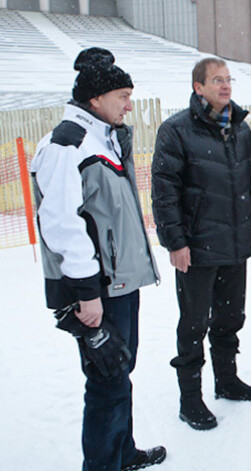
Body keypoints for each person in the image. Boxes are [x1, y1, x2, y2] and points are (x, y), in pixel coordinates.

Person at [31, 47, 165, 470]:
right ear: (95, 99)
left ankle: (122, 454)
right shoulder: (66, 145)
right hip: (98, 291)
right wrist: (87, 295)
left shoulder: (102, 136)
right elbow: (61, 225)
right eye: (122, 95)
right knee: (106, 382)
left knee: (120, 372)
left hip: (120, 284)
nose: (129, 104)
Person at [151, 57, 251, 431]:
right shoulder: (176, 131)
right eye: (217, 80)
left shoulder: (239, 128)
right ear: (198, 87)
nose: (226, 85)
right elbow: (164, 192)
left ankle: (227, 381)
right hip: (196, 249)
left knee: (231, 317)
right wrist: (175, 241)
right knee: (193, 324)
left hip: (234, 243)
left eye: (228, 79)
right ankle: (190, 399)